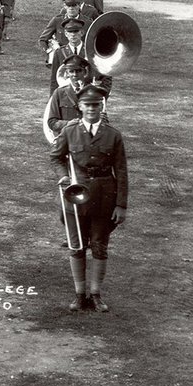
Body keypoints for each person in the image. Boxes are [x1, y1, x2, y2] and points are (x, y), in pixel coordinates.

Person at [52, 84, 127, 312]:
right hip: (74, 198)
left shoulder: (113, 135)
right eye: (88, 105)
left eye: (96, 105)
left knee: (99, 246)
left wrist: (121, 205)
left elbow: (121, 171)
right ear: (80, 107)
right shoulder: (69, 130)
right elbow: (56, 158)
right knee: (76, 246)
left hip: (104, 198)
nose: (92, 108)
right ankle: (79, 294)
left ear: (101, 106)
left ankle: (95, 294)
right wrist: (64, 176)